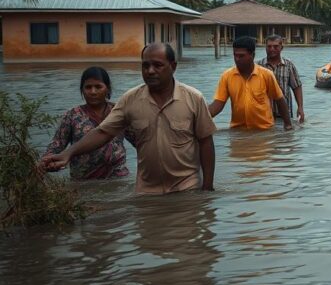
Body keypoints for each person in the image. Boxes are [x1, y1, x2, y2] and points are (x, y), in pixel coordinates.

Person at [41, 43, 217, 194]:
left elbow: (206, 141)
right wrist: (67, 153)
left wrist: (207, 187)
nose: (150, 71)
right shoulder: (130, 100)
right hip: (146, 191)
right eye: (145, 65)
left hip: (187, 187)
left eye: (157, 65)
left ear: (173, 66)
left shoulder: (194, 98)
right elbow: (103, 132)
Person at [42, 67, 130, 180]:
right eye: (88, 87)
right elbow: (56, 145)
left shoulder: (119, 113)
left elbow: (140, 141)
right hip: (84, 182)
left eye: (98, 87)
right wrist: (46, 161)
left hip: (118, 180)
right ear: (82, 90)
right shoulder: (72, 115)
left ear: (107, 89)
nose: (93, 92)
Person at [210, 36, 292, 131]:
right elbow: (217, 105)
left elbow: (280, 100)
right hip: (238, 132)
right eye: (235, 55)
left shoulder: (266, 75)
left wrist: (288, 125)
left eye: (241, 56)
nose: (237, 59)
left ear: (252, 55)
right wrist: (200, 115)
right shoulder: (227, 76)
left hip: (264, 131)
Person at [258, 34, 305, 124]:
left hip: (285, 113)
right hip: (264, 112)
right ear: (265, 48)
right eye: (269, 46)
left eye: (275, 46)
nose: (272, 49)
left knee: (285, 137)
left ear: (281, 47)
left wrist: (300, 107)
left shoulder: (288, 65)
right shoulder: (259, 66)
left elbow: (297, 87)